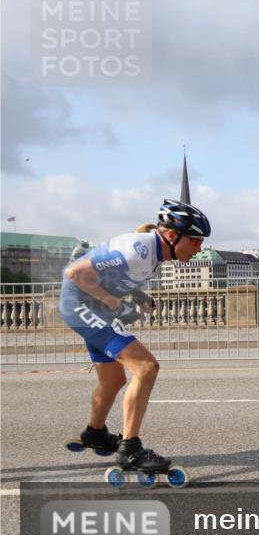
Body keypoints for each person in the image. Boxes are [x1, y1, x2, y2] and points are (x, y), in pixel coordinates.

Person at [60, 199, 211, 473]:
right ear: (171, 235)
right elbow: (74, 273)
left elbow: (117, 278)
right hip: (82, 305)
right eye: (195, 240)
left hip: (93, 306)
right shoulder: (137, 251)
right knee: (145, 367)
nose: (199, 248)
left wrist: (138, 296)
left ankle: (95, 433)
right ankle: (130, 450)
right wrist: (116, 304)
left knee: (114, 379)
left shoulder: (156, 252)